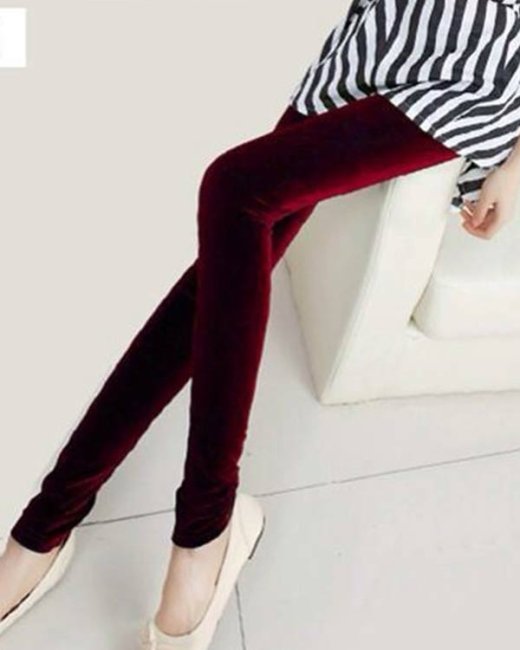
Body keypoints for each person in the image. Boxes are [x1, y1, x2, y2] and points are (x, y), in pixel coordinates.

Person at [2, 0, 520, 648]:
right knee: (220, 271)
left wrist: (515, 164)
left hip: (472, 67)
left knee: (237, 189)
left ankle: (202, 529)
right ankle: (47, 522)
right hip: (384, 32)